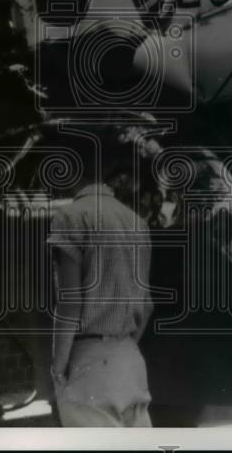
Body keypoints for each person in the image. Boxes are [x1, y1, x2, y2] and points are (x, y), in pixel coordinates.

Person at [47, 140, 154, 427]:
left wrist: (58, 369)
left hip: (89, 362)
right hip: (130, 359)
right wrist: (122, 345)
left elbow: (70, 302)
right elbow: (147, 304)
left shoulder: (69, 217)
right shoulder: (136, 222)